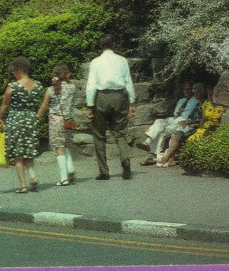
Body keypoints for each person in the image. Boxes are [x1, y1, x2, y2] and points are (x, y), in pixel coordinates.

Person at [85, 35, 136, 181]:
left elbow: (91, 84)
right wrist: (132, 102)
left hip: (101, 97)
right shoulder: (122, 60)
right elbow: (128, 82)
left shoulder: (95, 62)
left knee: (99, 134)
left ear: (101, 46)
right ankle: (125, 159)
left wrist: (90, 106)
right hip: (119, 97)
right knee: (120, 132)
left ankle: (104, 171)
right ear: (114, 45)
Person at [0, 56, 43, 193]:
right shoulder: (38, 85)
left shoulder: (13, 87)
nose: (13, 73)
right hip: (31, 119)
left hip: (16, 120)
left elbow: (5, 105)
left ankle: (23, 185)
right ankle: (32, 173)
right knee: (28, 149)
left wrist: (0, 118)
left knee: (18, 153)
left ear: (19, 69)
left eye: (14, 70)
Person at [36, 63, 78, 186]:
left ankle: (63, 178)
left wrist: (36, 119)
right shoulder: (72, 88)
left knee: (58, 148)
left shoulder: (50, 90)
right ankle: (70, 168)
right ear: (66, 75)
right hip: (68, 120)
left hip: (56, 121)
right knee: (65, 144)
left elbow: (43, 107)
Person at [138, 82, 192, 166]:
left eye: (188, 89)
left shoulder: (196, 100)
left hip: (184, 121)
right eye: (185, 89)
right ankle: (147, 142)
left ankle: (154, 157)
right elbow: (175, 114)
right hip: (175, 119)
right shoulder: (181, 100)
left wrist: (190, 122)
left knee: (163, 131)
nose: (186, 91)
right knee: (159, 122)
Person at [158, 83, 206, 167]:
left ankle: (167, 156)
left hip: (197, 125)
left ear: (202, 92)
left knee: (178, 131)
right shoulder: (195, 102)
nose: (196, 95)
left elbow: (203, 119)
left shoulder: (205, 103)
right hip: (190, 123)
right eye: (194, 93)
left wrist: (190, 122)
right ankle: (170, 159)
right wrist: (188, 121)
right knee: (175, 132)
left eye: (197, 93)